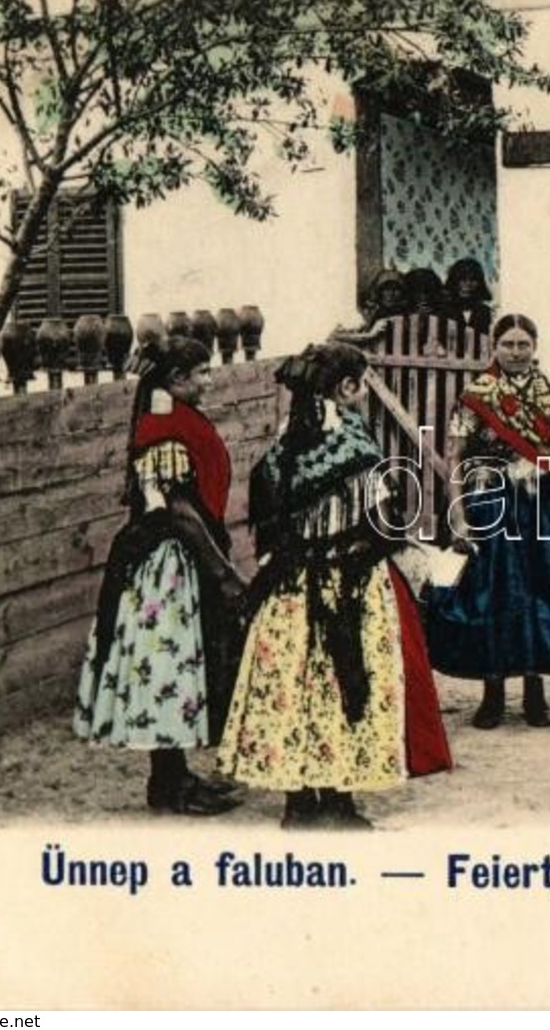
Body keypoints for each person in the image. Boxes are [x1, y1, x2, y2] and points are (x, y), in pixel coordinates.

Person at [219, 341, 452, 828]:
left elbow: (266, 521)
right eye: (361, 383)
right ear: (346, 387)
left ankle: (299, 803)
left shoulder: (284, 446)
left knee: (296, 688)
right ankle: (340, 801)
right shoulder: (357, 446)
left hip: (291, 584)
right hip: (350, 583)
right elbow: (380, 521)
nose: (363, 392)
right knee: (348, 684)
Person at [74, 336, 245, 816]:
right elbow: (178, 509)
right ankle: (169, 787)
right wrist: (223, 572)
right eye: (202, 373)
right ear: (176, 380)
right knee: (167, 668)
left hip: (180, 556)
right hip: (166, 562)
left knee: (180, 669)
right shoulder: (163, 428)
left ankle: (176, 778)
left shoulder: (176, 419)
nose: (209, 380)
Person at [427, 314, 550, 728]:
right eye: (507, 344)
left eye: (523, 344)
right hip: (492, 503)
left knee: (541, 591)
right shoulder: (477, 395)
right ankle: (493, 694)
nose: (515, 352)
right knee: (496, 594)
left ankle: (535, 692)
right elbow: (455, 458)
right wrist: (457, 514)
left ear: (535, 345)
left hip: (543, 504)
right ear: (494, 347)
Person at [443, 257, 495, 336]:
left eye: (473, 279)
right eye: (463, 279)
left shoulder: (486, 312)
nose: (468, 284)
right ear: (454, 281)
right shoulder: (443, 311)